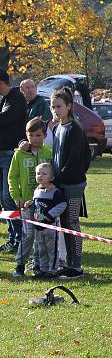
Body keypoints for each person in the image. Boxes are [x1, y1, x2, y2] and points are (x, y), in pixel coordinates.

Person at [50, 88, 92, 280]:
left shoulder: (75, 128)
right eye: (53, 107)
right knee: (64, 223)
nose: (55, 110)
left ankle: (76, 266)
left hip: (73, 185)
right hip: (60, 183)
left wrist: (60, 180)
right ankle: (68, 263)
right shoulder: (57, 127)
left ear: (69, 106)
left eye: (59, 106)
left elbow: (77, 160)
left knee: (72, 223)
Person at [8, 117, 53, 277]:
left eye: (38, 135)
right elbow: (12, 176)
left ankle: (38, 266)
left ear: (45, 135)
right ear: (26, 135)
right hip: (26, 203)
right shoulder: (19, 154)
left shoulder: (48, 153)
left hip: (44, 203)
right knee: (28, 234)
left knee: (41, 235)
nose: (34, 139)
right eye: (31, 135)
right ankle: (19, 265)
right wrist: (16, 196)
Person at [0, 71, 27, 253]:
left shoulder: (17, 98)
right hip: (1, 153)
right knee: (3, 200)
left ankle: (18, 238)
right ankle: (13, 237)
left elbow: (5, 119)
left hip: (10, 153)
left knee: (8, 198)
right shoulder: (3, 100)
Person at [27, 163, 66, 277]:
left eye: (44, 174)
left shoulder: (55, 192)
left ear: (52, 178)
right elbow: (37, 205)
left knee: (52, 250)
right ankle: (43, 270)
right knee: (41, 249)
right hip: (38, 227)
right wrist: (30, 204)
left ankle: (52, 270)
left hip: (50, 227)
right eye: (38, 173)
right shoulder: (37, 191)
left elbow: (62, 205)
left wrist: (50, 215)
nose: (40, 176)